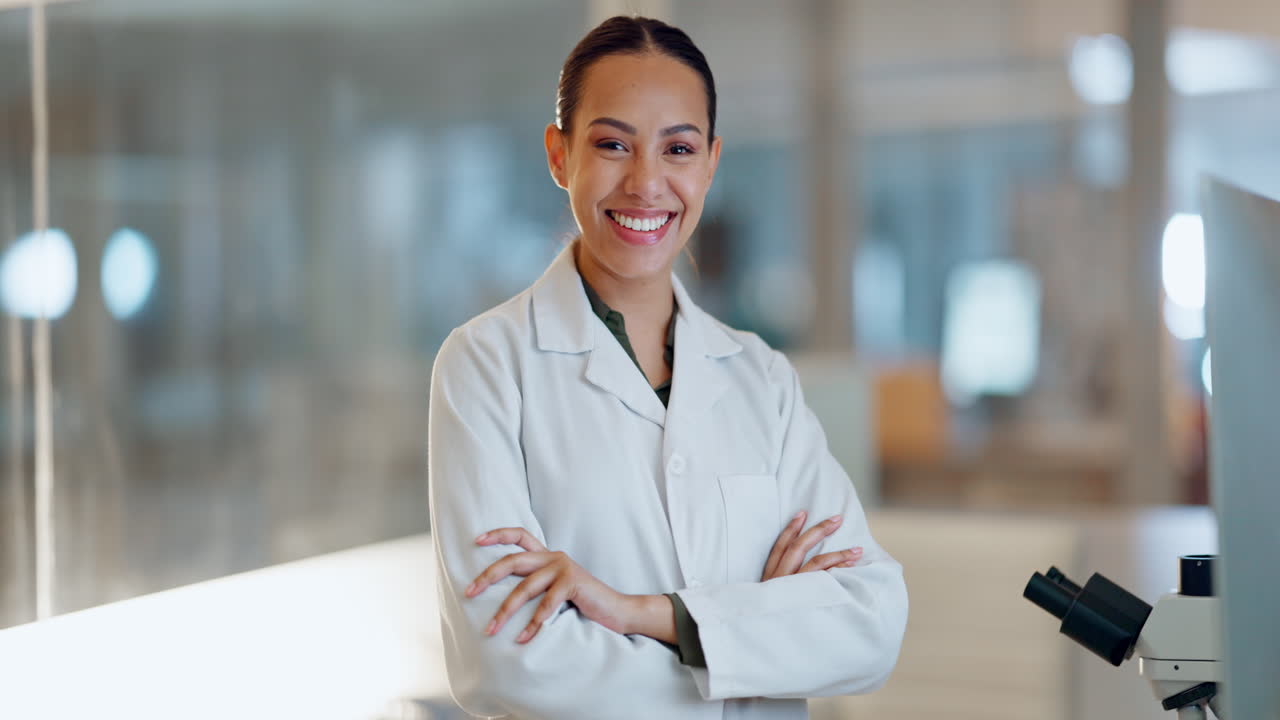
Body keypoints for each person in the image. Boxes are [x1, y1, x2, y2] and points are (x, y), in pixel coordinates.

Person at [428, 16, 907, 719]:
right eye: (613, 144)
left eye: (677, 148)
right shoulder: (488, 365)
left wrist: (641, 614)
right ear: (560, 156)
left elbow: (870, 623)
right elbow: (508, 663)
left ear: (710, 162)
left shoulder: (760, 378)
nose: (647, 183)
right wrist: (752, 648)